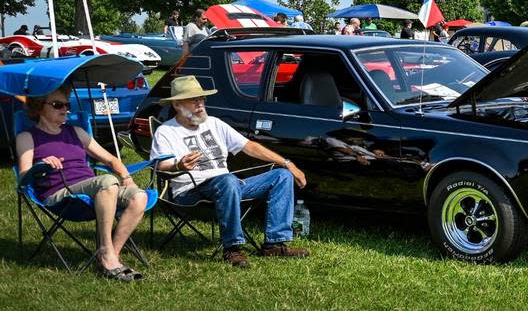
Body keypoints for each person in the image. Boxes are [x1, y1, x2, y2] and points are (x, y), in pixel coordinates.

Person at [150, 75, 310, 268]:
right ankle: (232, 248)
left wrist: (287, 163)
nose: (200, 104)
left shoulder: (214, 123)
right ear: (176, 104)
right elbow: (159, 167)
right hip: (191, 193)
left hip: (230, 186)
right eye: (194, 100)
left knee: (281, 176)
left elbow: (249, 146)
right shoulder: (167, 132)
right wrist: (179, 166)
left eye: (202, 99)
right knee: (227, 180)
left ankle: (274, 244)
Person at [16, 88, 149, 280]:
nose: (65, 109)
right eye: (57, 105)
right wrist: (41, 164)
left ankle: (111, 255)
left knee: (139, 196)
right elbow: (23, 175)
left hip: (94, 188)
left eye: (67, 105)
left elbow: (111, 160)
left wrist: (127, 179)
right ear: (38, 107)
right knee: (108, 181)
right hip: (61, 194)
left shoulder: (76, 132)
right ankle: (105, 251)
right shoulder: (27, 137)